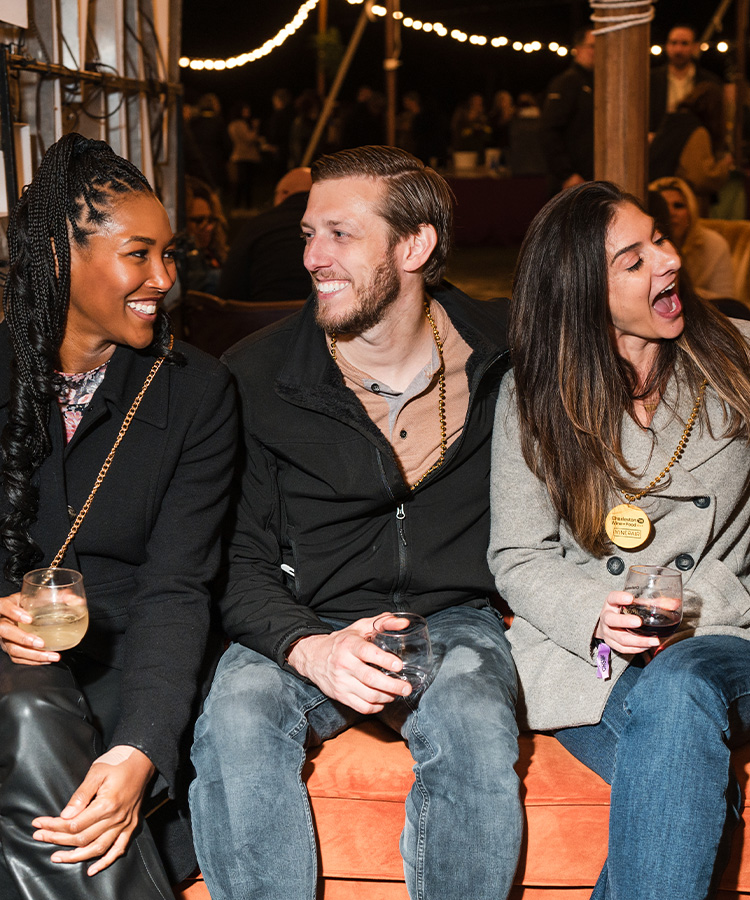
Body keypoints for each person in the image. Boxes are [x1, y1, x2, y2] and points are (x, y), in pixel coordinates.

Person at [190, 145, 522, 900]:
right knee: (238, 714)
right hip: (304, 614)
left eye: (340, 234)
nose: (313, 257)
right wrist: (308, 647)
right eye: (310, 234)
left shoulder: (505, 353)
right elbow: (233, 560)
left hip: (454, 615)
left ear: (414, 245)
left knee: (473, 715)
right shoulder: (256, 373)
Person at [488, 181, 750, 900]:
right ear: (581, 294)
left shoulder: (738, 357)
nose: (667, 261)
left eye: (659, 239)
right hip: (587, 654)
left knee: (681, 685)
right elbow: (518, 553)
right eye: (633, 261)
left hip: (727, 631)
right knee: (687, 778)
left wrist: (710, 598)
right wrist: (595, 614)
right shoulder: (534, 394)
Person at [0, 133, 236, 899]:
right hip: (13, 666)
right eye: (140, 254)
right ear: (58, 256)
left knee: (41, 733)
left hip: (130, 668)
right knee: (27, 708)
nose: (165, 279)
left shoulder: (195, 392)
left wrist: (140, 749)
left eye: (170, 255)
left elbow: (178, 588)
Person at [218, 166, 312, 303]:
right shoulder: (334, 228)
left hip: (263, 313)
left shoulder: (256, 226)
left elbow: (228, 289)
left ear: (284, 194)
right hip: (321, 313)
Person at [649, 82, 733, 215]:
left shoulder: (672, 121)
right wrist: (724, 166)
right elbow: (701, 177)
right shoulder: (698, 131)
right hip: (676, 204)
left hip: (657, 198)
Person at [650, 175, 736, 301]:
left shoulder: (715, 244)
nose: (671, 212)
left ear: (691, 210)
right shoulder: (645, 246)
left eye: (678, 205)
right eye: (664, 207)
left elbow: (727, 301)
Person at [539, 28, 595, 192]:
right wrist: (566, 174)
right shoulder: (567, 82)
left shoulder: (596, 83)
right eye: (592, 46)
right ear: (578, 49)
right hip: (572, 182)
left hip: (591, 179)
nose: (597, 52)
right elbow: (548, 130)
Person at [649, 24, 722, 134]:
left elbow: (714, 124)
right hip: (659, 142)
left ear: (695, 47)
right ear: (667, 46)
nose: (678, 49)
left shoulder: (709, 82)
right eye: (673, 43)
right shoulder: (652, 80)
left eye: (684, 43)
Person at [183, 175, 228, 294]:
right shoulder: (183, 265)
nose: (209, 227)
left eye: (210, 220)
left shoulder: (216, 253)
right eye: (199, 221)